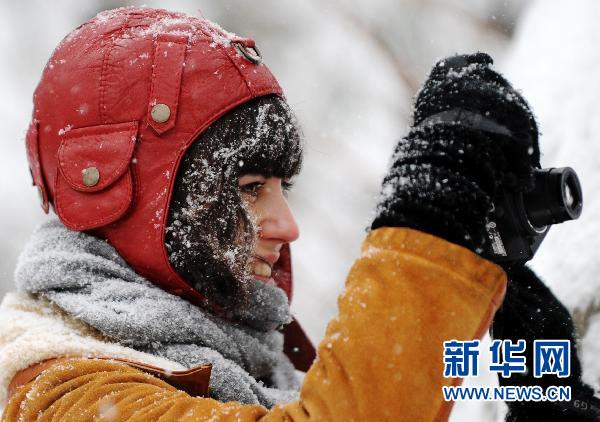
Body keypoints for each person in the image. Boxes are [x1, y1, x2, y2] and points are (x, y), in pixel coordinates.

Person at [0, 6, 596, 421]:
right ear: (131, 199)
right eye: (251, 186)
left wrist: (545, 394)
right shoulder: (59, 396)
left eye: (283, 187)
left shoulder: (258, 362)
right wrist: (427, 230)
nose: (288, 225)